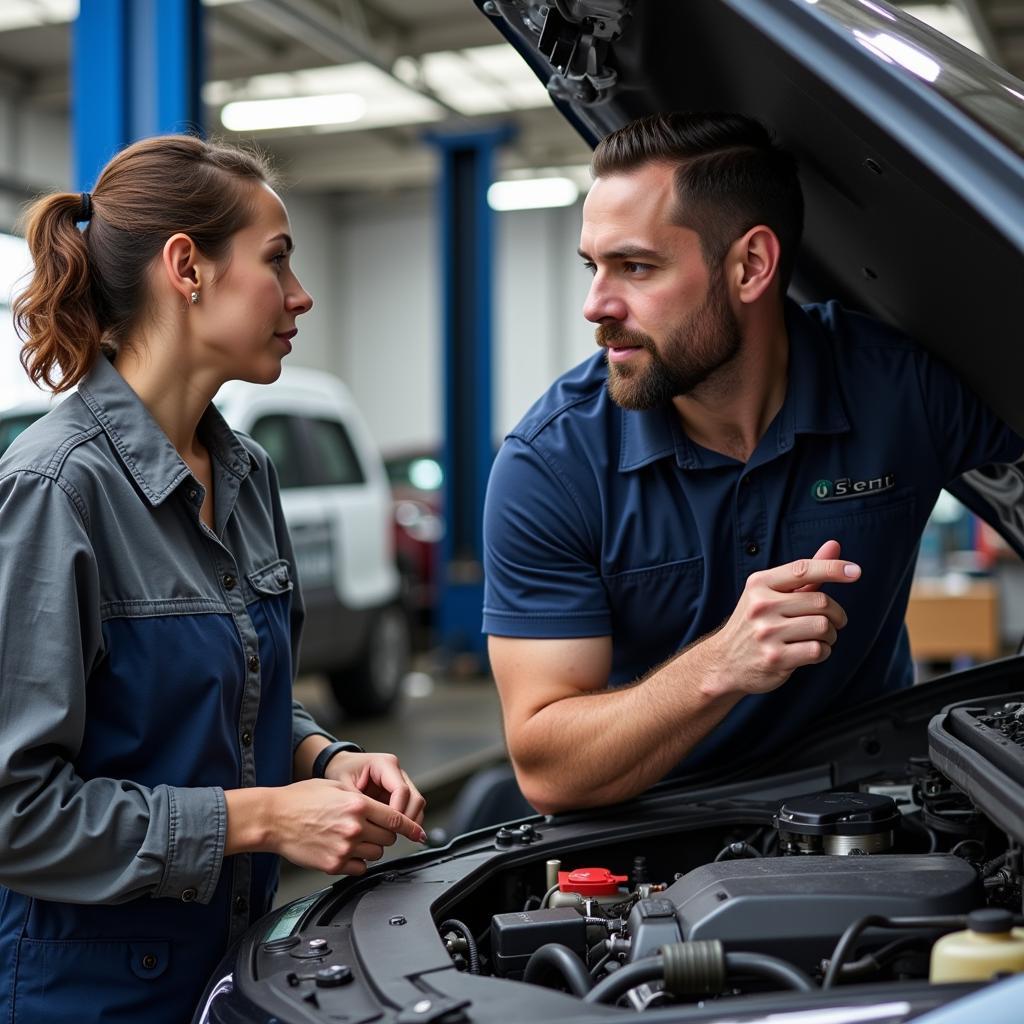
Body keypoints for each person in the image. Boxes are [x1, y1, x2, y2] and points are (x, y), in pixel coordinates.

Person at [483, 112, 1024, 816]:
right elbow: (550, 769)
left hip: (874, 806)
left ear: (751, 266)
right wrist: (720, 666)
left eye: (635, 267)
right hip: (657, 832)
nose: (596, 306)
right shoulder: (550, 467)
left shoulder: (901, 390)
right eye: (593, 267)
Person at [0, 135, 426, 1024]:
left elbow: (237, 688)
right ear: (186, 268)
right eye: (278, 261)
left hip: (235, 973)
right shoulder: (54, 491)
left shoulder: (248, 475)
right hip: (89, 998)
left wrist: (329, 759)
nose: (301, 295)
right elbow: (15, 813)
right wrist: (265, 819)